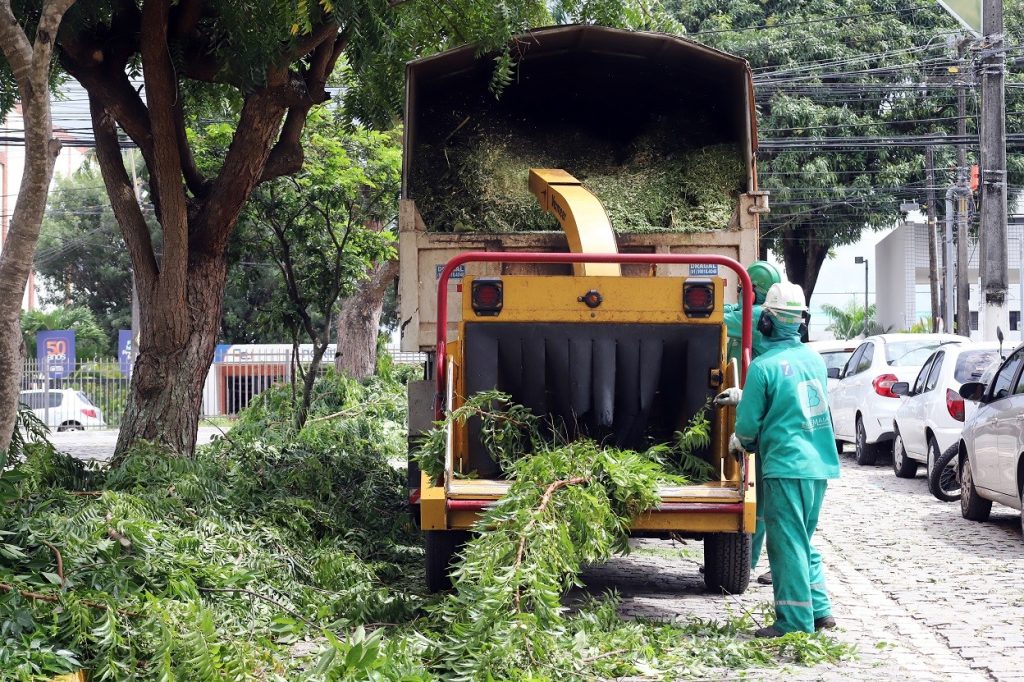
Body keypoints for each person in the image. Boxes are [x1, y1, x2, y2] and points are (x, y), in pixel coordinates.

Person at [728, 282, 840, 637]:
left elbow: (747, 427)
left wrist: (740, 442)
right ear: (801, 322)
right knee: (802, 538)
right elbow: (794, 399)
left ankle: (793, 621)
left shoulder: (762, 367)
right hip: (818, 465)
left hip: (785, 466)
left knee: (787, 543)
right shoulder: (814, 360)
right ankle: (820, 610)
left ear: (767, 323)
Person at [721, 260, 780, 586]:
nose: (741, 294)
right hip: (762, 413)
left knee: (761, 495)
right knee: (761, 495)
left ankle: (759, 561)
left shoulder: (755, 316)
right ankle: (752, 559)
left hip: (759, 415)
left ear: (754, 291)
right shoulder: (767, 319)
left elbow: (722, 317)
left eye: (744, 290)